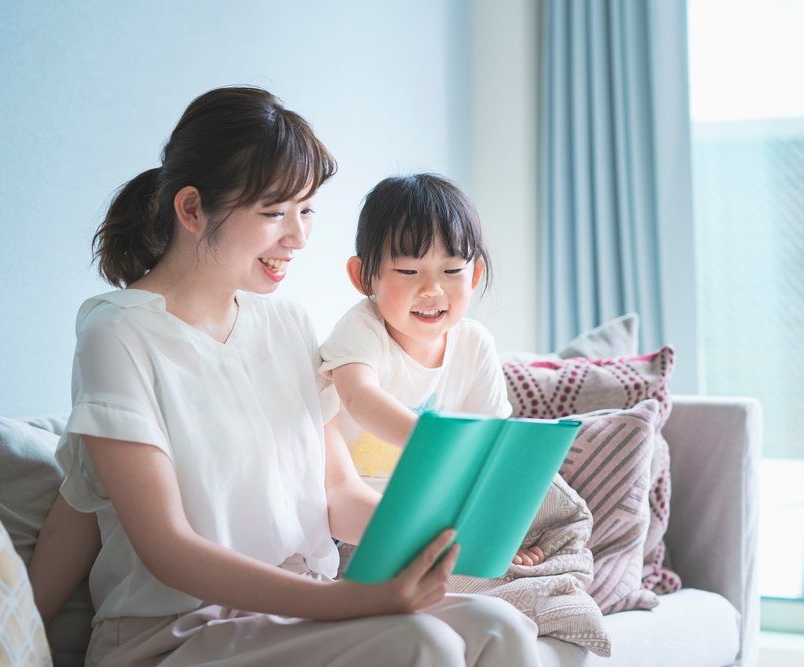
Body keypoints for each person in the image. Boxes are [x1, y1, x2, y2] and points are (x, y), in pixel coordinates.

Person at [28, 86, 542, 666]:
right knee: (420, 644)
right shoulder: (118, 334)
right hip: (174, 631)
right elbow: (167, 548)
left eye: (306, 210)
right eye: (274, 213)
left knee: (504, 627)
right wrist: (352, 603)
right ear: (192, 210)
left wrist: (444, 539)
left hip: (297, 611)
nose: (298, 237)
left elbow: (339, 493)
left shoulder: (288, 323)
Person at [319, 174, 544, 567]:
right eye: (408, 272)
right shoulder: (361, 328)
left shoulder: (474, 344)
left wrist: (495, 529)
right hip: (360, 521)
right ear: (362, 277)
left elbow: (489, 447)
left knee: (547, 491)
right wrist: (434, 443)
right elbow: (357, 397)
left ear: (473, 277)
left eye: (451, 271)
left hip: (442, 516)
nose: (432, 290)